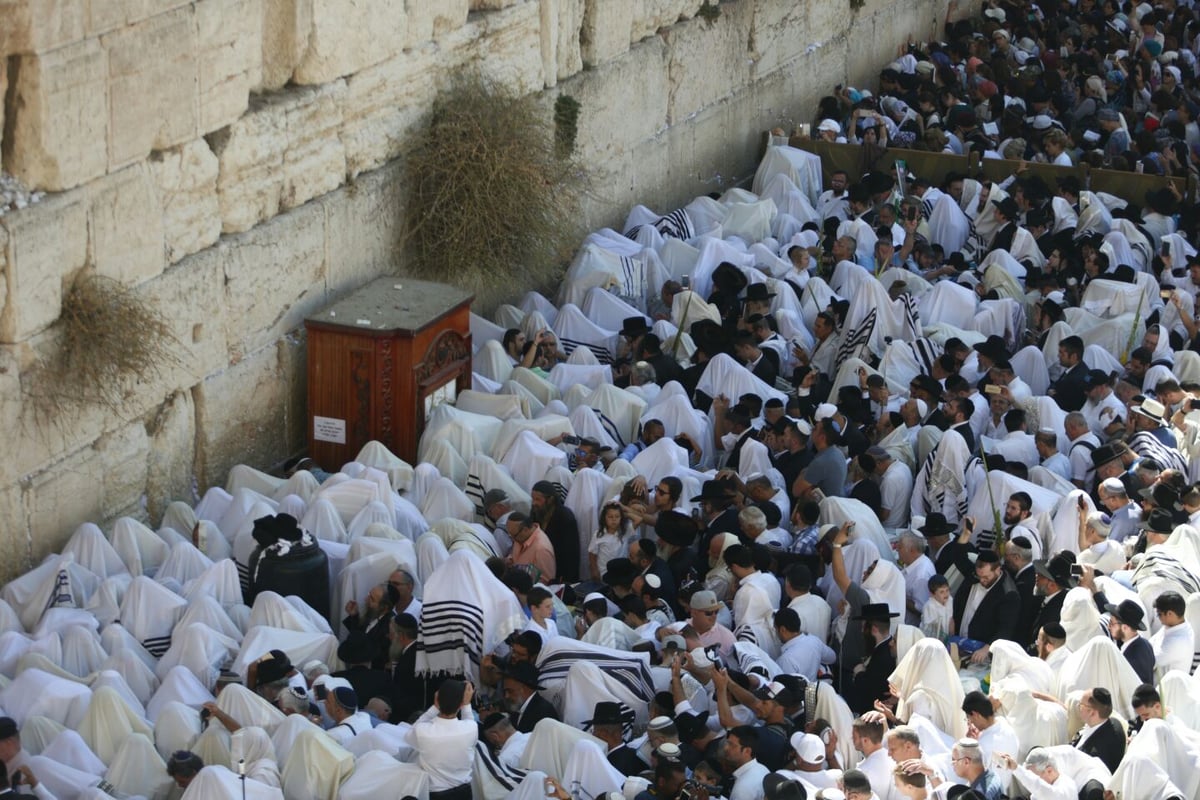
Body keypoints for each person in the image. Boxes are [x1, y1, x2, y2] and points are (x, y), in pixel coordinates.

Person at [406, 679, 478, 800]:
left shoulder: (423, 731)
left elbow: (408, 736)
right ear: (461, 704)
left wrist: (434, 707)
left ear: (437, 699)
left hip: (436, 794)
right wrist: (467, 704)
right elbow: (468, 717)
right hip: (465, 793)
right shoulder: (471, 728)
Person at [530, 481, 580, 583]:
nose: (534, 503)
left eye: (538, 499)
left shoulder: (565, 517)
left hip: (560, 573)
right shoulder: (536, 512)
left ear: (550, 499)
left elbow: (571, 553)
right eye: (533, 499)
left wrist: (565, 579)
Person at [1071, 688, 1125, 773]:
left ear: (1092, 713)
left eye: (1081, 705)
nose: (1078, 707)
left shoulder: (1092, 755)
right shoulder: (1112, 722)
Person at [501, 663, 559, 733]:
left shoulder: (544, 712)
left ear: (525, 689)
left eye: (510, 691)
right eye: (505, 691)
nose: (506, 696)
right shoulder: (516, 711)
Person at [1000, 749, 1078, 800]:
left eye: (1034, 776)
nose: (1032, 778)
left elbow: (1041, 788)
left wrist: (1016, 769)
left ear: (1049, 771)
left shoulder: (1065, 788)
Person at [1151, 591, 1194, 681]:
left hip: (1167, 692)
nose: (1158, 617)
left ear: (1170, 614)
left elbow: (1150, 662)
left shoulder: (1179, 641)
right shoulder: (1173, 625)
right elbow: (1151, 643)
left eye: (1159, 614)